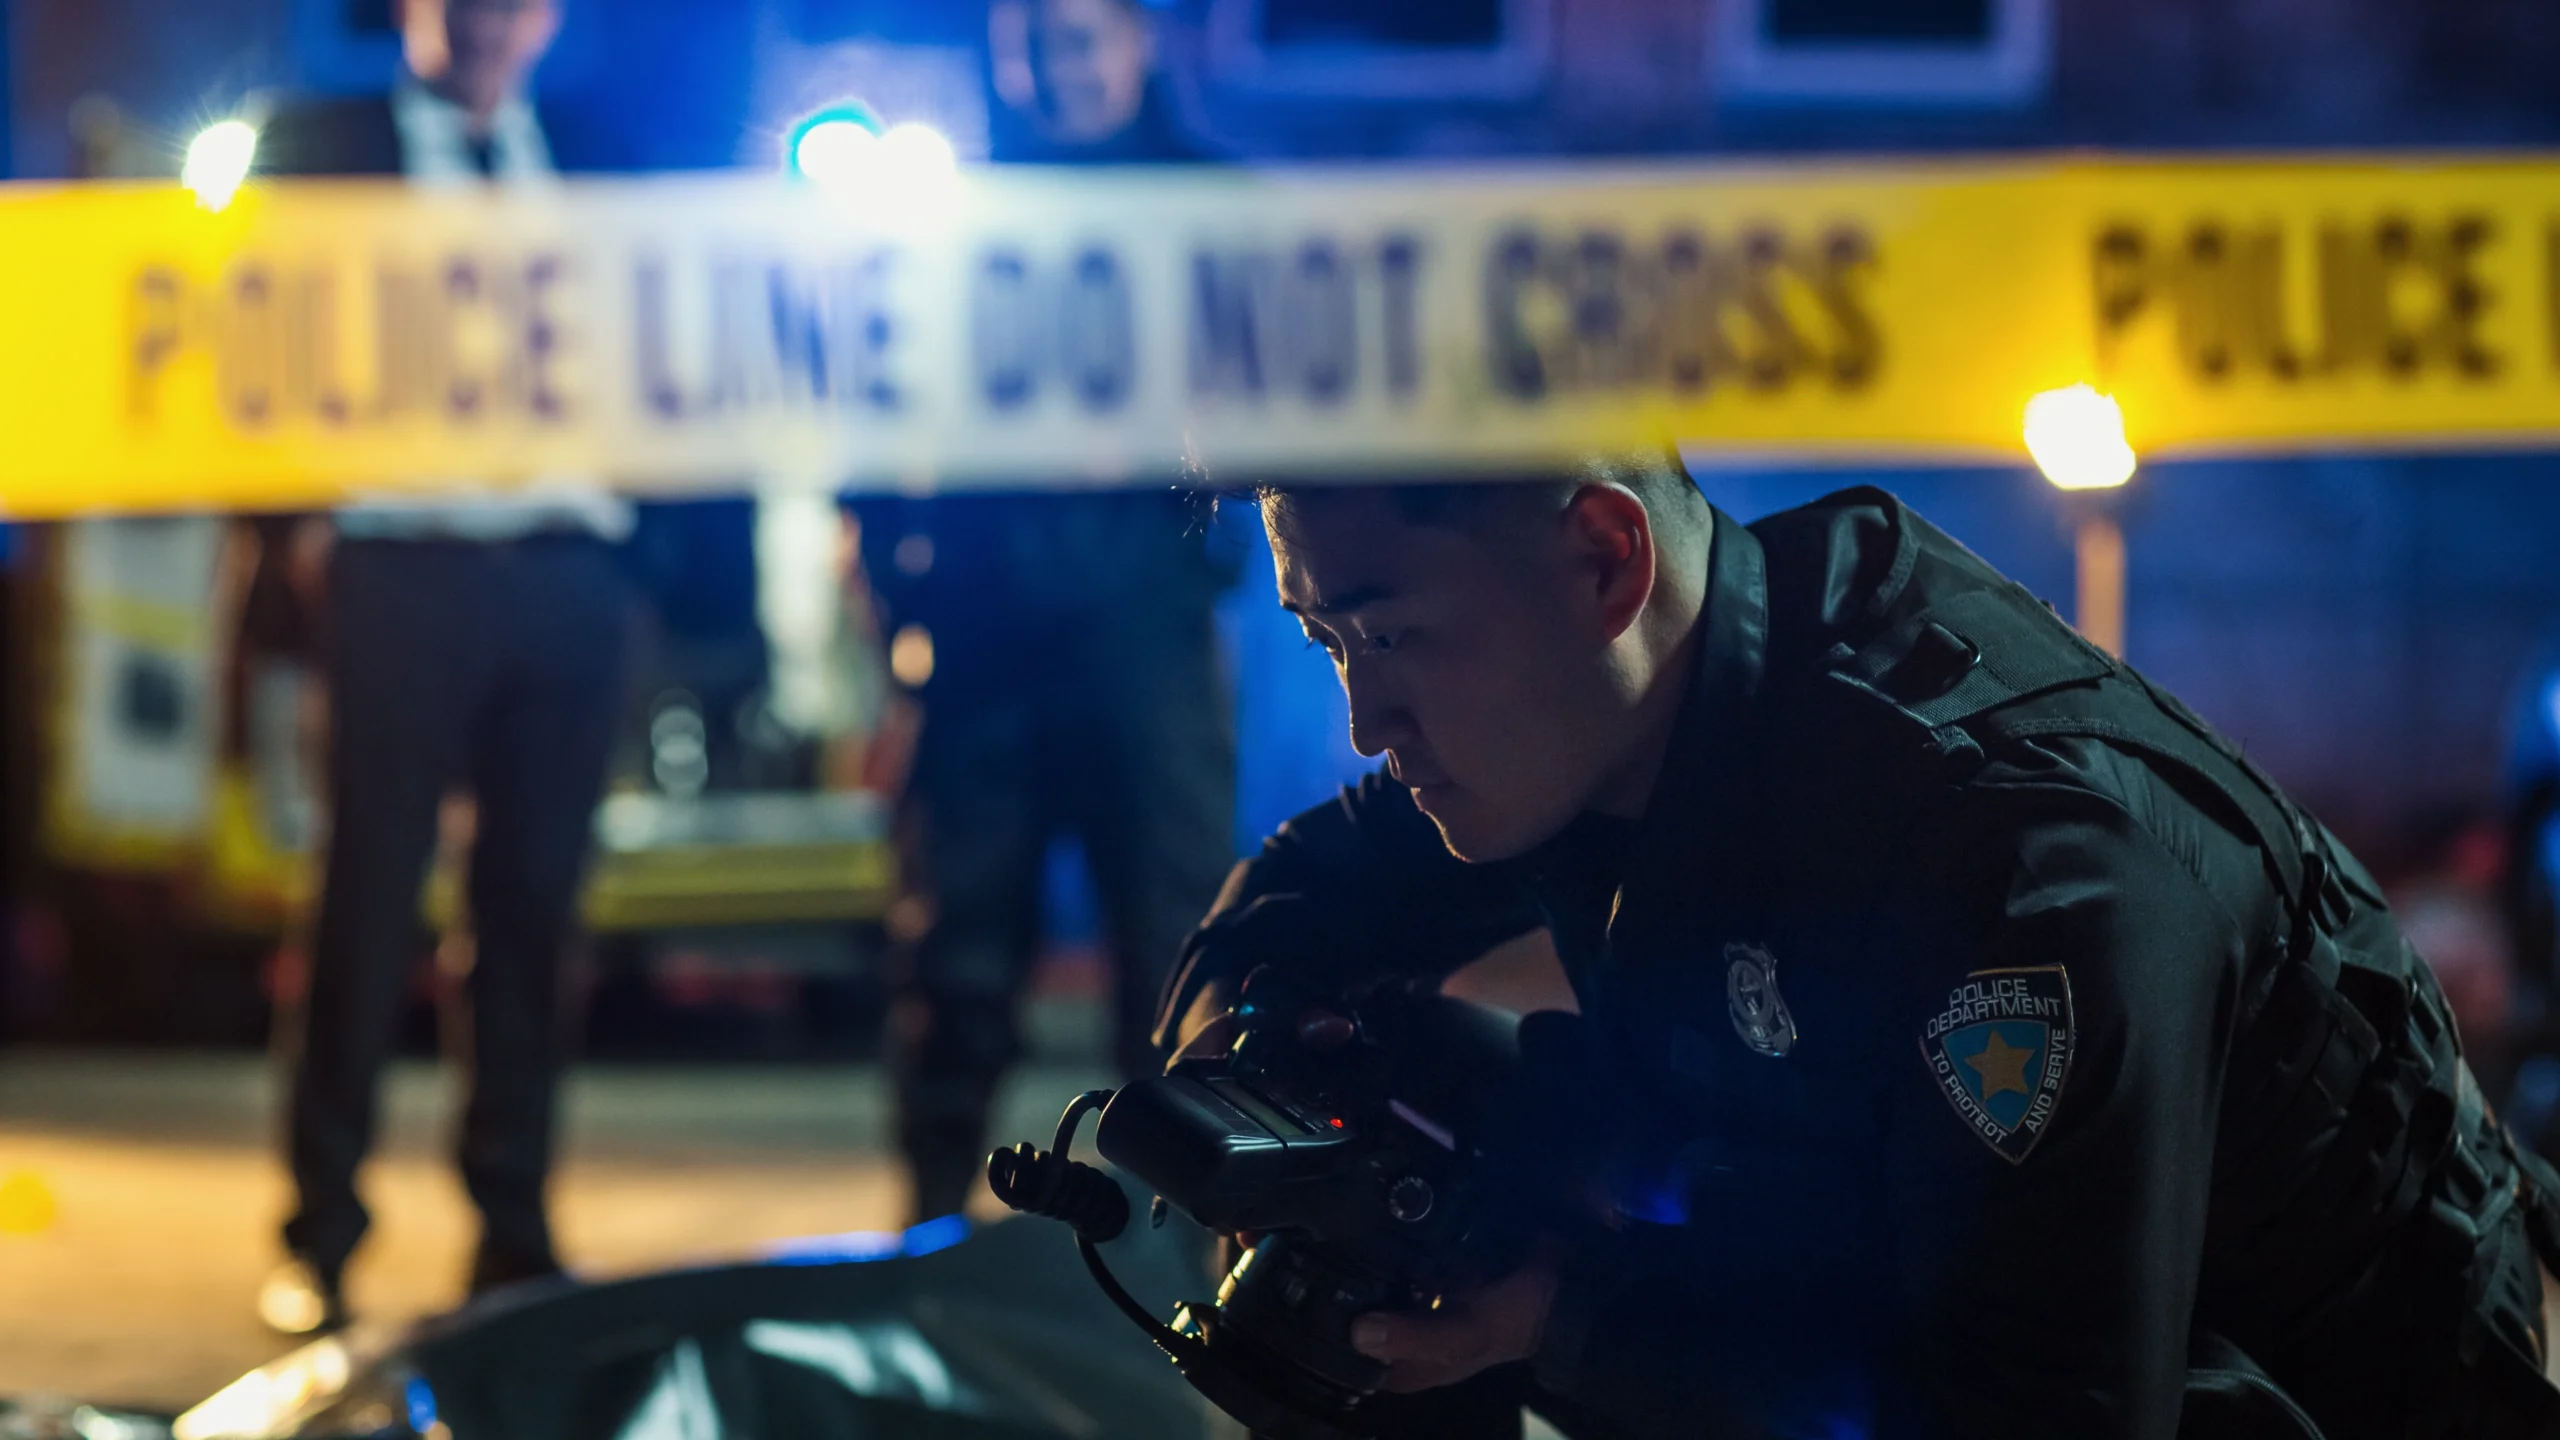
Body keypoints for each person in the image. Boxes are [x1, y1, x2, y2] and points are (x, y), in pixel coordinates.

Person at [1154, 458, 2560, 1438]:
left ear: (1602, 557)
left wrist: (1565, 1321)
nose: (1366, 719)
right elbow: (1301, 899)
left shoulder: (2017, 873)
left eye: (1390, 634)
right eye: (1327, 639)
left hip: (2315, 1401)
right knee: (1417, 1105)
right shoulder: (1597, 714)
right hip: (1941, 1328)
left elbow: (2038, 1421)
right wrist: (1262, 1071)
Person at [248, 0, 634, 1334]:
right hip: (398, 564)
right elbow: (255, 338)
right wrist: (291, 527)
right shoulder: (319, 146)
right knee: (363, 900)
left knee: (534, 912)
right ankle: (320, 1233)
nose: (482, 23)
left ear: (546, 20)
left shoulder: (597, 158)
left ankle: (513, 1236)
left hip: (568, 571)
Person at [862, 0, 1235, 1224]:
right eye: (1034, 44)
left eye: (1081, 39)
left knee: (1173, 958)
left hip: (1145, 633)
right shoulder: (957, 216)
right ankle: (928, 1231)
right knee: (955, 959)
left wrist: (1168, 492)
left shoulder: (1215, 212)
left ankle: (1172, 1253)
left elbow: (1274, 411)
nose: (1058, 69)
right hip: (983, 639)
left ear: (1140, 41)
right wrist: (900, 588)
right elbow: (877, 402)